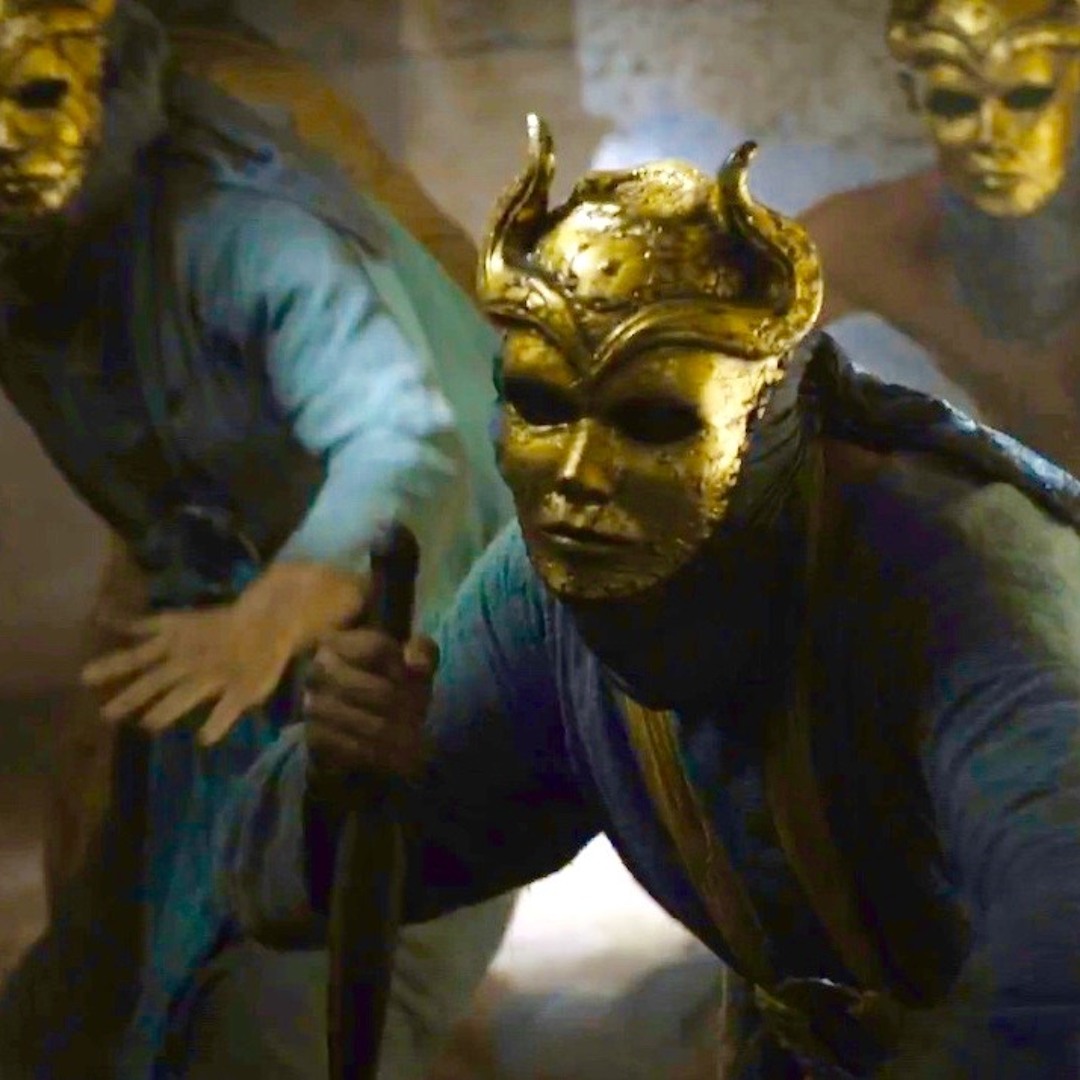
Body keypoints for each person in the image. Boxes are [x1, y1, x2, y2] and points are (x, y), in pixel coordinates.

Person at [219, 114, 1080, 1078]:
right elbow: (293, 882)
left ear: (766, 420)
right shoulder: (547, 595)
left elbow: (1066, 965)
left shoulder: (968, 587)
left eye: (655, 421)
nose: (580, 475)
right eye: (543, 407)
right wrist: (345, 774)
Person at [0, 1, 516, 1076]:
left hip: (421, 641)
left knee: (287, 1027)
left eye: (35, 94)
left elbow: (408, 441)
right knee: (83, 1007)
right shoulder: (43, 250)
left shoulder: (241, 223)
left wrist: (278, 609)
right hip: (220, 606)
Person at [802, 0, 1080, 472]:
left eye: (1026, 99)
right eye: (956, 104)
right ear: (914, 97)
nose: (991, 137)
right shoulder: (869, 238)